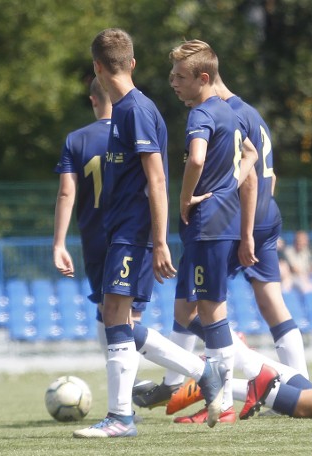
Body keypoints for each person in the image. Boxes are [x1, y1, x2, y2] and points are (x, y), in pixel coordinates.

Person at [134, 39, 309, 426]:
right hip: (248, 215)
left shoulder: (209, 114)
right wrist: (232, 191)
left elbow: (199, 159)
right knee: (195, 309)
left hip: (217, 221)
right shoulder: (243, 114)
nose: (171, 83)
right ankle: (286, 381)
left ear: (203, 77)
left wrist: (189, 197)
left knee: (209, 310)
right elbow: (260, 165)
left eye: (179, 76)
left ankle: (229, 392)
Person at [74, 29, 224, 438]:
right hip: (122, 231)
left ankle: (121, 418)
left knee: (115, 316)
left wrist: (159, 241)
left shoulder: (135, 110)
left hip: (134, 231)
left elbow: (156, 180)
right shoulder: (124, 108)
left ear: (97, 67)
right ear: (133, 63)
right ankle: (202, 371)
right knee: (113, 316)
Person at [52, 77, 153, 400]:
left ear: (93, 100)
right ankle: (130, 390)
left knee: (109, 312)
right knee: (125, 315)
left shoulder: (77, 139)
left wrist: (58, 243)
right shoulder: (132, 133)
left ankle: (132, 389)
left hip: (95, 238)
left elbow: (67, 192)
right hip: (132, 234)